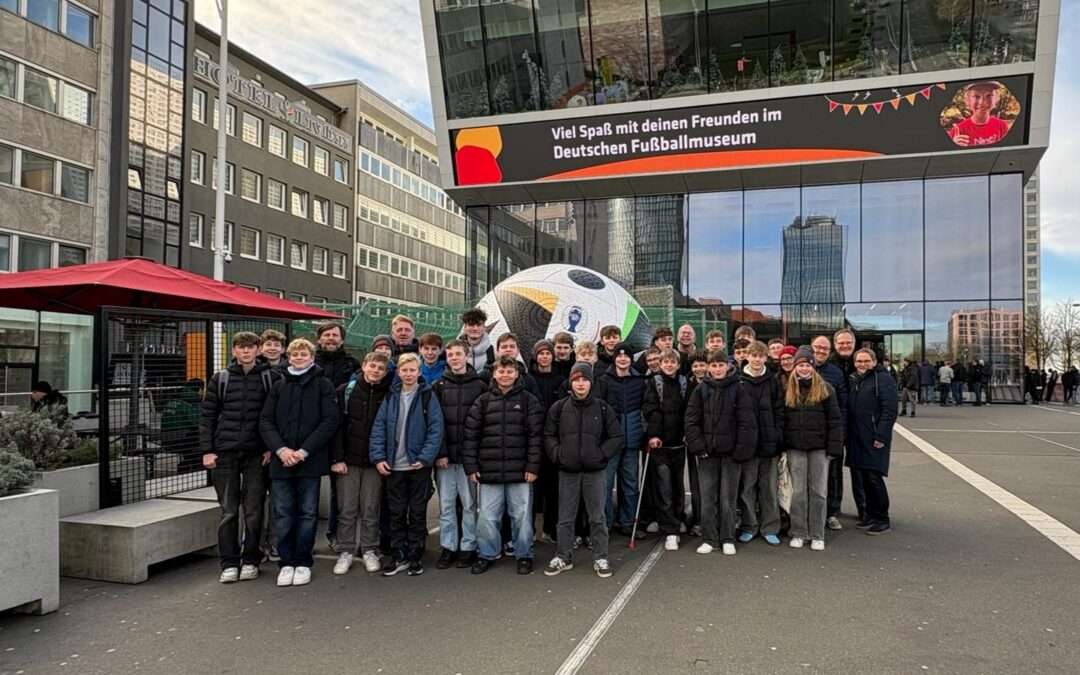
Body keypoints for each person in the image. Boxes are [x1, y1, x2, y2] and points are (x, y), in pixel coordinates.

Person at [259, 338, 339, 587]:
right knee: (283, 513)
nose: (299, 358)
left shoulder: (323, 385)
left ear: (312, 357)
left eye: (303, 354)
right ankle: (287, 562)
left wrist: (303, 451)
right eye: (295, 354)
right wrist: (281, 450)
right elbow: (265, 421)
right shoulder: (278, 385)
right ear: (289, 357)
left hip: (310, 460)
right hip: (281, 460)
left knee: (307, 513)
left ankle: (303, 561)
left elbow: (329, 421)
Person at [200, 332, 279, 583]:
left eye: (251, 347)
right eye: (241, 347)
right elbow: (208, 417)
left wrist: (270, 448)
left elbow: (273, 417)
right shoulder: (220, 379)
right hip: (224, 452)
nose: (246, 352)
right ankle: (229, 562)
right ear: (234, 350)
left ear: (259, 350)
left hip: (256, 453)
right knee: (229, 510)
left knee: (254, 510)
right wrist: (207, 450)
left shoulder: (270, 378)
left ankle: (252, 559)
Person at [463, 356, 543, 575]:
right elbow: (471, 436)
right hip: (489, 472)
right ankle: (486, 554)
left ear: (517, 374)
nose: (505, 375)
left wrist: (533, 467)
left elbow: (536, 437)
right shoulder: (483, 402)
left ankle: (524, 553)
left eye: (510, 371)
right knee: (488, 517)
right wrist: (471, 466)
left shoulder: (529, 401)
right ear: (494, 374)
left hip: (520, 472)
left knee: (522, 517)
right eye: (501, 371)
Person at [543, 363, 623, 578]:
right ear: (571, 382)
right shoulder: (559, 408)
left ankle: (600, 556)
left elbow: (615, 437)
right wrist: (558, 454)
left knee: (597, 517)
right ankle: (563, 556)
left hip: (595, 471)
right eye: (576, 379)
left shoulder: (603, 408)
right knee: (565, 517)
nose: (580, 383)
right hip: (567, 471)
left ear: (591, 382)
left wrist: (601, 455)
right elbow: (549, 435)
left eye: (584, 379)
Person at [369, 353, 444, 577]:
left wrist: (425, 457)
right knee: (397, 512)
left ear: (419, 372)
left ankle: (415, 553)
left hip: (417, 466)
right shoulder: (391, 396)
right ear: (399, 372)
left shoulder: (427, 396)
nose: (409, 374)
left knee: (418, 511)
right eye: (405, 370)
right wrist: (379, 457)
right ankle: (399, 553)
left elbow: (435, 429)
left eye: (413, 370)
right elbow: (379, 428)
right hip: (394, 466)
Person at [685, 349, 756, 555]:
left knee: (728, 498)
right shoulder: (701, 390)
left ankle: (727, 538)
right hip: (707, 454)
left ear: (728, 365)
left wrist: (740, 451)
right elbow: (691, 421)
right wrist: (698, 446)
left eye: (720, 365)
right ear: (708, 367)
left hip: (731, 455)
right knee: (708, 497)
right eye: (713, 365)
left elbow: (747, 423)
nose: (717, 369)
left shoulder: (739, 389)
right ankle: (709, 538)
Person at [329, 352, 392, 576]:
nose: (376, 371)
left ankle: (368, 549)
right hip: (348, 460)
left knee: (370, 507)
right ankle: (345, 550)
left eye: (381, 368)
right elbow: (335, 427)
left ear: (385, 372)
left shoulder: (388, 393)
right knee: (347, 508)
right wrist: (337, 459)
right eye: (372, 366)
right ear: (364, 366)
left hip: (375, 461)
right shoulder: (345, 391)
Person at [430, 340, 486, 569]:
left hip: (469, 459)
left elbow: (484, 424)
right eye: (450, 354)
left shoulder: (481, 385)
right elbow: (435, 423)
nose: (454, 358)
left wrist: (476, 456)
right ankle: (448, 547)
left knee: (470, 504)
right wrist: (440, 452)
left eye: (458, 354)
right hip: (445, 459)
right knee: (446, 505)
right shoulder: (438, 385)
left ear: (466, 356)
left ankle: (468, 546)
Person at [781, 346, 843, 551]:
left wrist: (834, 448)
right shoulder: (788, 390)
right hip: (795, 448)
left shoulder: (826, 389)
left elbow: (835, 420)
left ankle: (817, 533)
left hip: (819, 448)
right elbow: (782, 420)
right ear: (795, 367)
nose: (804, 369)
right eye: (800, 365)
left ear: (813, 366)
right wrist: (782, 445)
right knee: (798, 492)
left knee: (818, 491)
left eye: (807, 365)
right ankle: (799, 532)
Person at [737, 341, 785, 547]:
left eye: (761, 356)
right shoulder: (738, 380)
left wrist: (777, 437)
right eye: (753, 355)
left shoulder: (773, 381)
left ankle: (770, 527)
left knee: (768, 489)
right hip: (747, 445)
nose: (757, 359)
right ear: (747, 356)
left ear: (766, 358)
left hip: (768, 444)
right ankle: (749, 526)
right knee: (747, 488)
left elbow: (780, 412)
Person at [595, 342, 646, 537]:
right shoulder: (604, 380)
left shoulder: (639, 381)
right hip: (610, 444)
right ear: (615, 358)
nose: (623, 359)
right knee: (606, 485)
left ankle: (628, 522)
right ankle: (605, 524)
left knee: (631, 485)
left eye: (626, 356)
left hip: (632, 442)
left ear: (631, 359)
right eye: (619, 356)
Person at [643, 348, 691, 551]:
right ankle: (670, 530)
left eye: (673, 362)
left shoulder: (684, 383)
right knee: (664, 488)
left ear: (678, 365)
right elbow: (650, 409)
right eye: (665, 362)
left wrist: (689, 432)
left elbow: (689, 410)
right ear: (660, 365)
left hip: (679, 444)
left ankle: (677, 518)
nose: (669, 365)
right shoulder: (654, 383)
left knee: (678, 487)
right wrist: (653, 436)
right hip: (661, 445)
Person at [846, 349, 898, 536]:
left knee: (874, 478)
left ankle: (883, 518)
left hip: (874, 437)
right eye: (859, 361)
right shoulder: (856, 379)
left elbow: (890, 410)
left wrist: (881, 436)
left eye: (866, 360)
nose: (862, 364)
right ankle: (871, 515)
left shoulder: (883, 380)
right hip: (857, 436)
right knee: (864, 478)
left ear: (874, 361)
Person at [529, 339, 567, 545]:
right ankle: (530, 530)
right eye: (541, 353)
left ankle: (550, 529)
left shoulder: (561, 380)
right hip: (534, 439)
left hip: (554, 440)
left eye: (548, 353)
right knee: (533, 488)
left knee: (554, 488)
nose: (544, 357)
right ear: (535, 356)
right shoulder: (528, 378)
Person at [811, 335, 849, 529]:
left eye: (825, 348)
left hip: (831, 431)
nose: (821, 351)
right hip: (809, 432)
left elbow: (843, 404)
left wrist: (839, 433)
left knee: (833, 474)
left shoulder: (835, 373)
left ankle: (832, 513)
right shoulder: (801, 368)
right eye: (818, 347)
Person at [948, 81, 1012, 147]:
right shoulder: (958, 131)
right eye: (976, 96)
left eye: (989, 95)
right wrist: (954, 147)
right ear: (968, 100)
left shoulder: (1001, 126)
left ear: (996, 98)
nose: (982, 102)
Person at [164, 377, 204, 473]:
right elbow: (199, 422)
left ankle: (188, 465)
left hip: (166, 440)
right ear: (200, 389)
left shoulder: (174, 400)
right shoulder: (192, 402)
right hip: (182, 440)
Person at [314, 323, 360, 388]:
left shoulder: (353, 363)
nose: (331, 338)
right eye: (327, 335)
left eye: (335, 335)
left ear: (342, 340)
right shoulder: (309, 362)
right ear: (319, 340)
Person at [460, 307, 495, 372]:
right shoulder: (455, 353)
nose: (475, 328)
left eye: (478, 325)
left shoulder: (494, 353)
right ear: (465, 327)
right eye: (471, 324)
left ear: (484, 327)